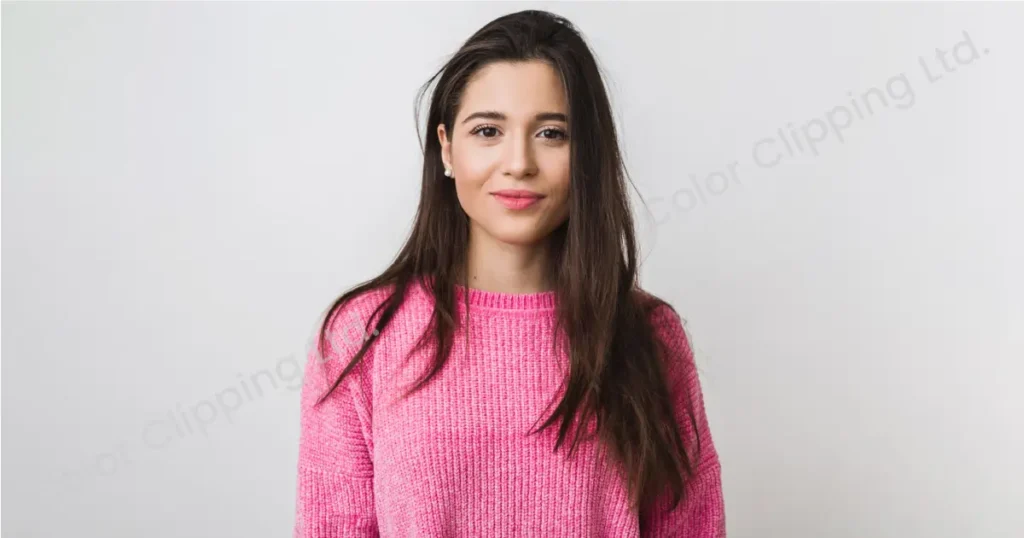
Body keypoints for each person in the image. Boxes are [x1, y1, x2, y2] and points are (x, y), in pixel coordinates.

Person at [294, 9, 725, 537]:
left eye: (551, 133)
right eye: (488, 130)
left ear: (587, 155)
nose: (519, 162)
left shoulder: (648, 336)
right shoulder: (362, 336)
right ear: (447, 148)